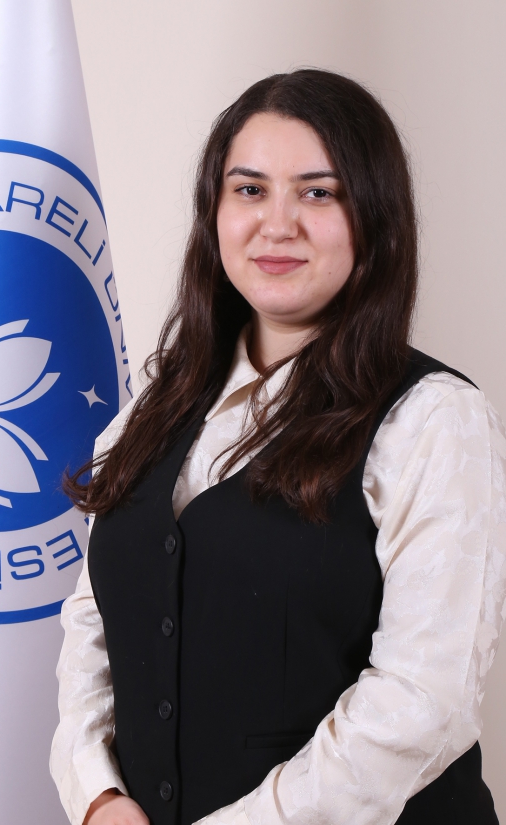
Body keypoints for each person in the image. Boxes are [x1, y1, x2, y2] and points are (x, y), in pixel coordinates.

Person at [49, 69, 506, 825]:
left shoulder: (434, 419)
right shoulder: (153, 403)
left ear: (375, 217)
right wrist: (97, 794)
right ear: (215, 212)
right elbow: (93, 623)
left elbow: (425, 703)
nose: (277, 223)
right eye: (250, 189)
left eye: (318, 193)